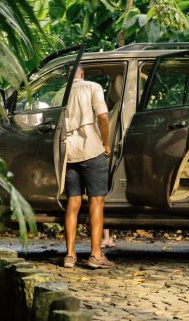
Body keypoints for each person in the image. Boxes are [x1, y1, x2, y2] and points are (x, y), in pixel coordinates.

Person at [63, 63, 114, 269]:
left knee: (73, 203)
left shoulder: (62, 94)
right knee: (96, 202)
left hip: (69, 152)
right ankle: (95, 255)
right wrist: (106, 143)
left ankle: (69, 255)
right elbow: (102, 116)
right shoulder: (93, 87)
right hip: (92, 150)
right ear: (82, 74)